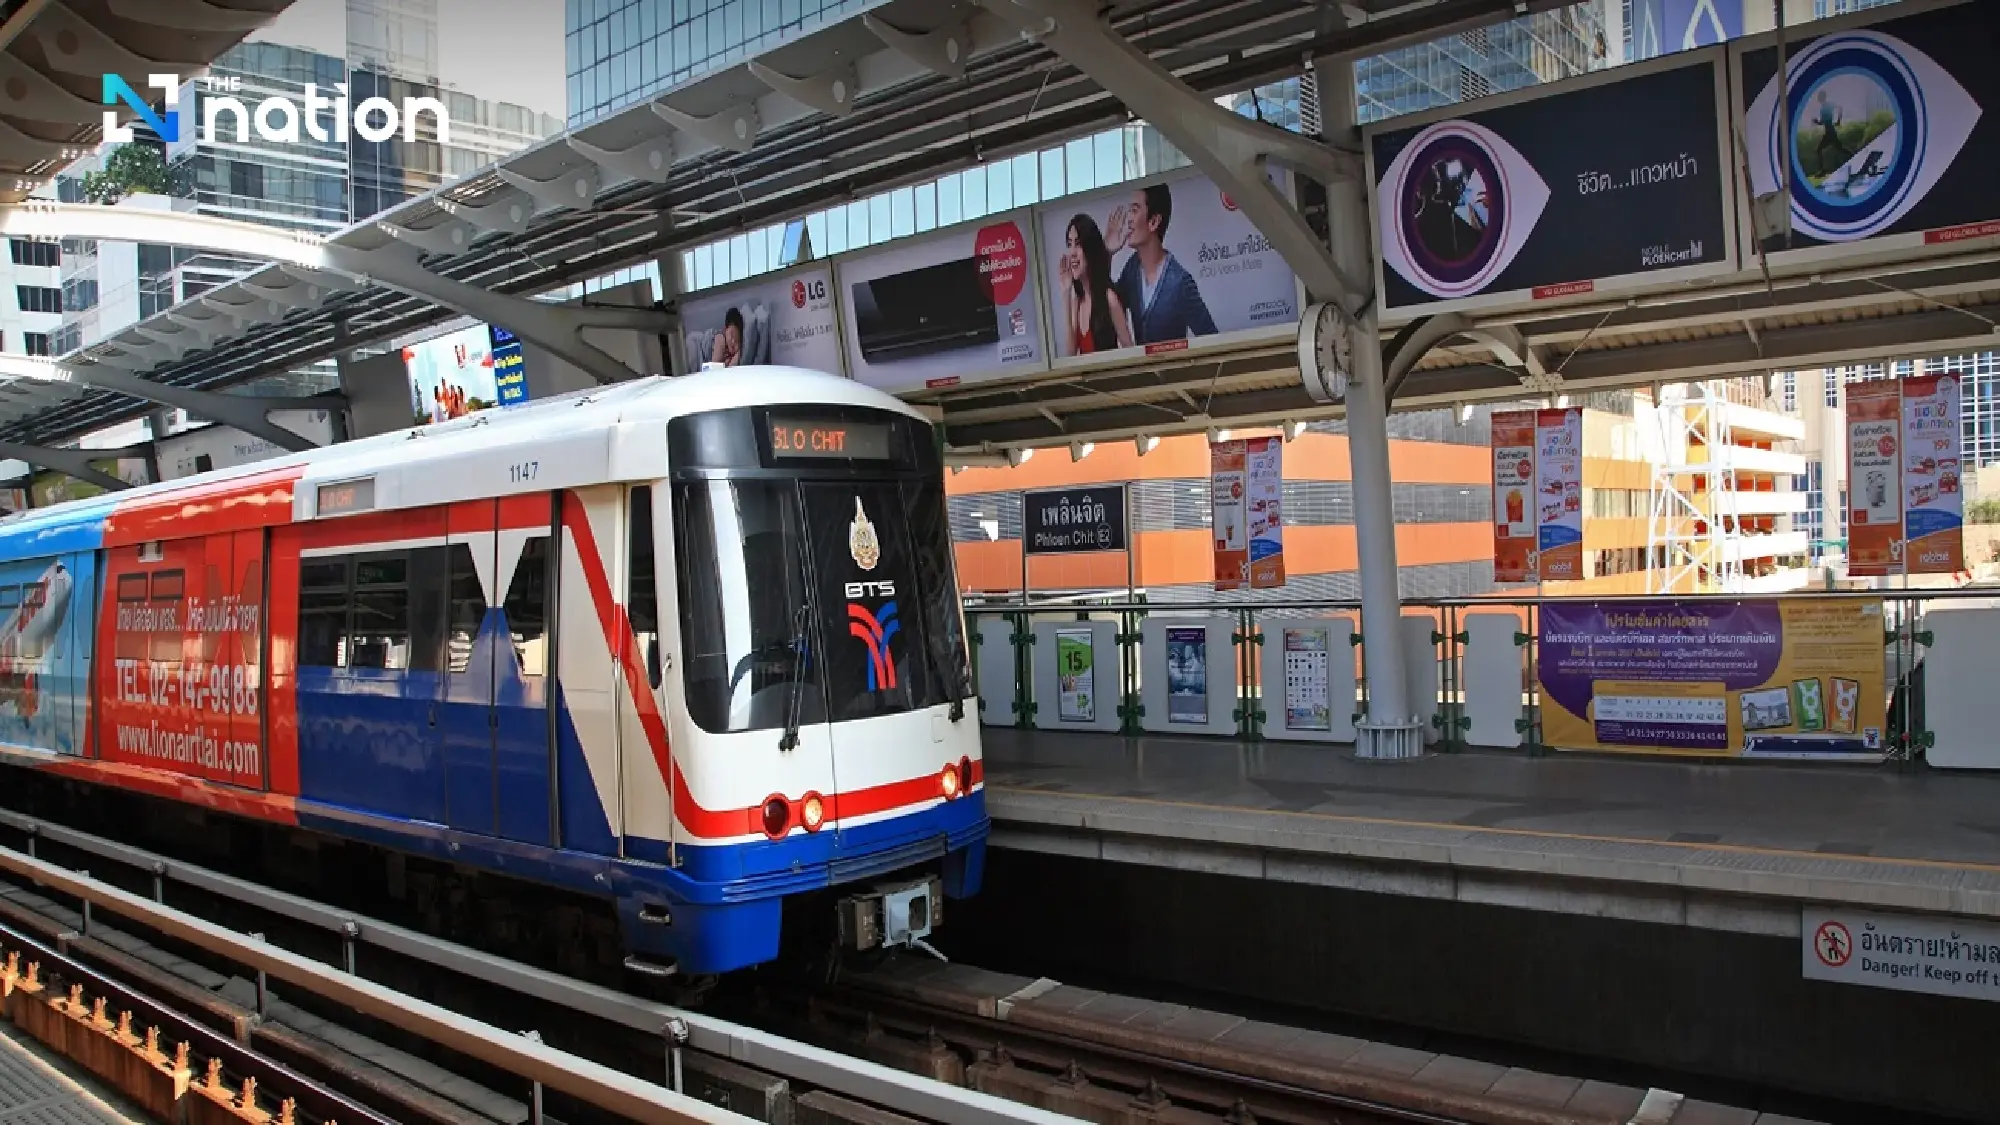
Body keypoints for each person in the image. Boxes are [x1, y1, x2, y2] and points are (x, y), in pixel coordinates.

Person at [1103, 183, 1217, 346]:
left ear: (1154, 222)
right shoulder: (1132, 268)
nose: (1129, 219)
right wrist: (1107, 254)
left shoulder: (1180, 283)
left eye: (1134, 210)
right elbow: (1108, 305)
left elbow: (1212, 339)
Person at [1059, 214, 1132, 355]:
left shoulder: (1109, 298)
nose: (1072, 252)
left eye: (1078, 244)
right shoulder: (1077, 302)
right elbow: (1070, 355)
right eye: (1069, 244)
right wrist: (1066, 293)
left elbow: (1129, 349)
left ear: (1090, 247)